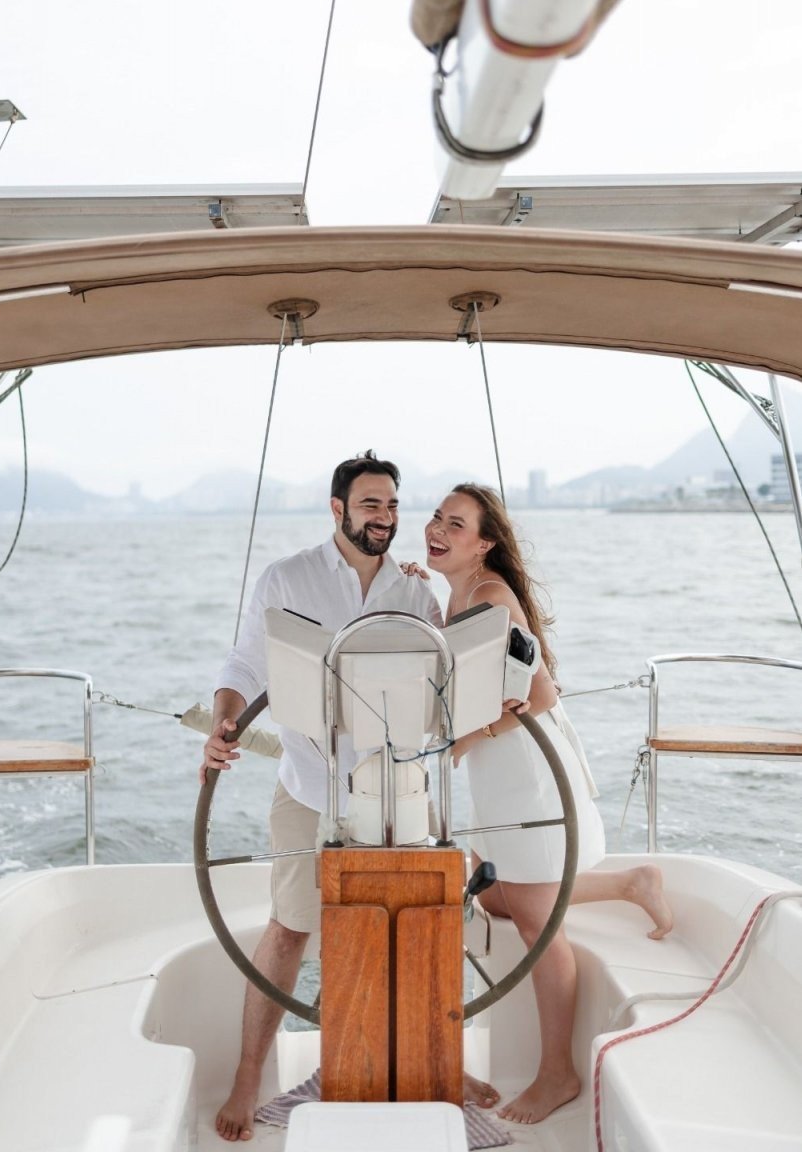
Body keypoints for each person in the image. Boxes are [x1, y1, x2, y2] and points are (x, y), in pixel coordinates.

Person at [199, 452, 498, 1142]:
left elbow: (446, 687)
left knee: (423, 927)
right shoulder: (287, 578)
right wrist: (224, 722)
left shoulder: (415, 592)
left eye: (392, 505)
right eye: (370, 505)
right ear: (337, 509)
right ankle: (249, 1076)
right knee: (288, 930)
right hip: (309, 786)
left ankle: (441, 1065)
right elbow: (244, 664)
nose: (385, 518)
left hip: (397, 793)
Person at [421, 483, 672, 1126]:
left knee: (538, 924)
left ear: (485, 544)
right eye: (436, 518)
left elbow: (541, 695)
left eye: (456, 523)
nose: (437, 529)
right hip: (497, 768)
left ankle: (558, 1072)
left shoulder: (491, 596)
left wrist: (467, 738)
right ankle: (630, 883)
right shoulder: (456, 593)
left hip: (525, 769)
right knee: (495, 899)